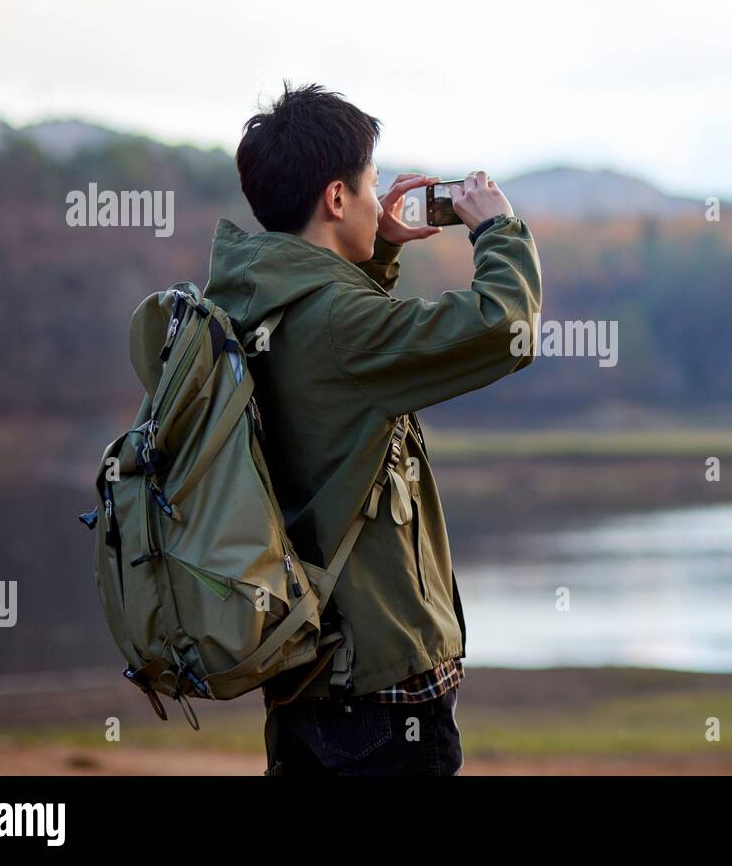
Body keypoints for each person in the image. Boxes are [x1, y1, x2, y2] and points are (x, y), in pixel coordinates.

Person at [204, 83, 542, 775]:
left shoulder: (253, 301)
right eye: (368, 184)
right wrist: (496, 228)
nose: (376, 197)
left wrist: (376, 252)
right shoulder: (335, 323)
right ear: (334, 199)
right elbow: (506, 326)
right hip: (382, 699)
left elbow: (346, 364)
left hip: (308, 682)